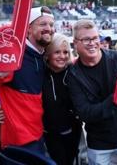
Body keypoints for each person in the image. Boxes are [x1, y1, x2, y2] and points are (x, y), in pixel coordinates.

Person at [0, 6, 55, 158]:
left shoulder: (42, 55)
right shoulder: (11, 55)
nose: (49, 28)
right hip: (19, 141)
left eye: (51, 24)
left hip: (38, 134)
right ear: (27, 29)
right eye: (42, 24)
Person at [68, 19, 117, 165]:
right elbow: (85, 112)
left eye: (95, 38)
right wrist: (115, 98)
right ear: (75, 43)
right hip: (99, 143)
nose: (92, 43)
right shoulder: (73, 74)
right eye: (86, 39)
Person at [43, 33, 81, 165]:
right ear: (48, 54)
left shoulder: (74, 72)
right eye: (57, 52)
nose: (62, 56)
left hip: (72, 131)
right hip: (48, 133)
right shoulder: (40, 73)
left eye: (65, 52)